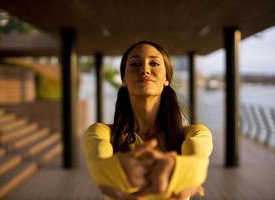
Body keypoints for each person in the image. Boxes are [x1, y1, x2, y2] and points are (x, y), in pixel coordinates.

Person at [83, 41, 213, 200]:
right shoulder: (101, 133)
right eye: (135, 64)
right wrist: (115, 168)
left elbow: (198, 160)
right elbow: (97, 162)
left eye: (154, 63)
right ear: (124, 79)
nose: (144, 70)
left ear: (167, 78)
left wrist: (176, 168)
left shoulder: (195, 133)